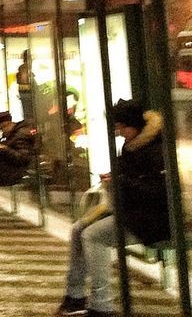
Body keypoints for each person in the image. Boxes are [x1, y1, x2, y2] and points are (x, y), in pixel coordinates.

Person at [54, 100, 170, 317]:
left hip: (154, 217)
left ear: (134, 125)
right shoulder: (132, 145)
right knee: (78, 229)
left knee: (93, 235)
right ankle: (75, 296)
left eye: (121, 127)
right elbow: (130, 179)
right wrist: (114, 179)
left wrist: (120, 181)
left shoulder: (157, 148)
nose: (119, 132)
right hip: (131, 210)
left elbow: (159, 191)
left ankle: (101, 305)